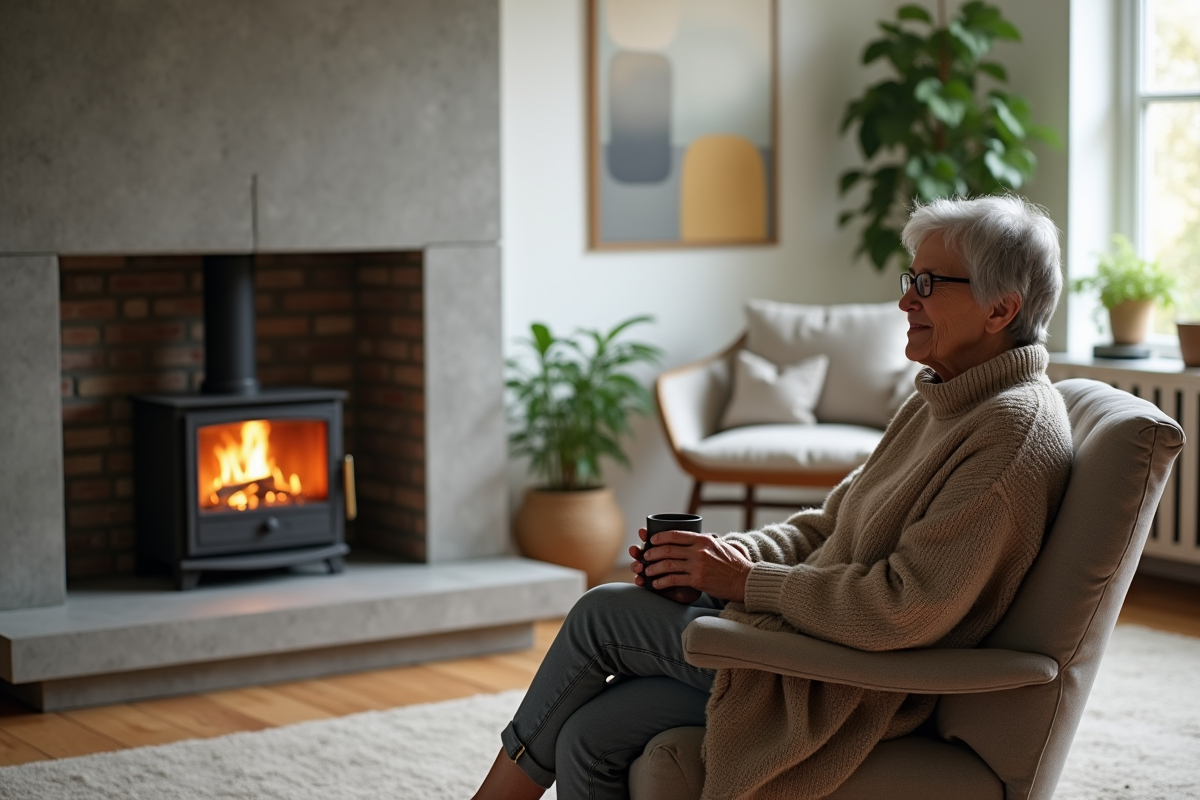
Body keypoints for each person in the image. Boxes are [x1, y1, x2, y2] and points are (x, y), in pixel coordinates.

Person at [471, 195, 1073, 800]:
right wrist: (715, 558)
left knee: (600, 613)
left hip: (851, 681)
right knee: (589, 736)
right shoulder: (941, 397)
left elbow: (904, 607)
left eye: (928, 282)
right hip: (806, 646)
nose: (905, 299)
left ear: (1001, 309)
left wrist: (745, 582)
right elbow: (827, 526)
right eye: (908, 278)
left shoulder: (1011, 432)